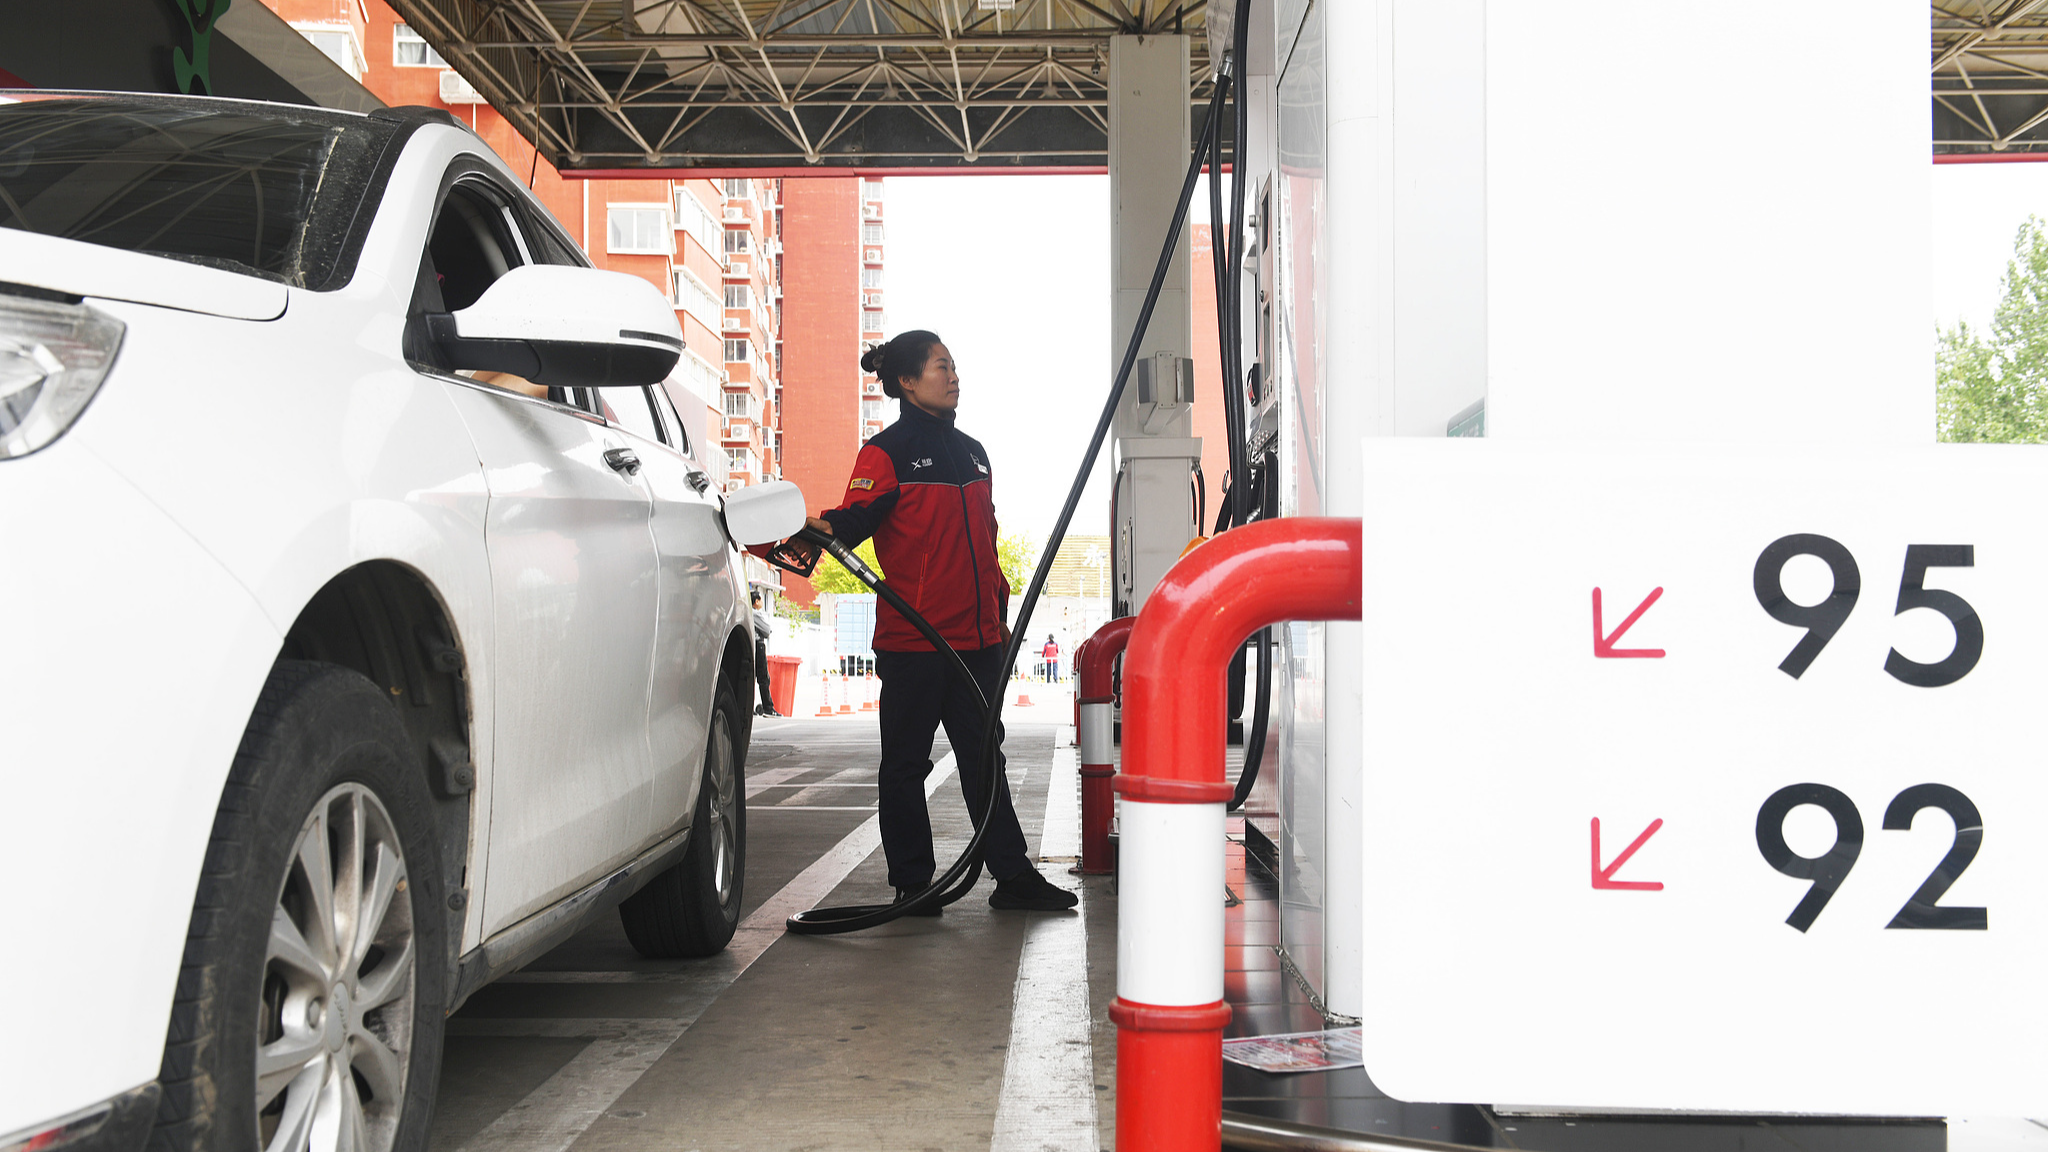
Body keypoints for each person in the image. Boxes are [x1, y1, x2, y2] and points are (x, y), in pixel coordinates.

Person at [806, 331, 1077, 914]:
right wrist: (802, 525)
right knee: (905, 764)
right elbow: (850, 523)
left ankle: (1012, 875)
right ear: (907, 382)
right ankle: (914, 883)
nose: (953, 377)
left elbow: (985, 540)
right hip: (915, 643)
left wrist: (999, 620)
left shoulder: (974, 451)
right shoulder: (885, 453)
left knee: (987, 758)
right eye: (940, 367)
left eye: (954, 367)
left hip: (978, 641)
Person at [750, 590, 780, 717]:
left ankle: (748, 709)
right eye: (761, 600)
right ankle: (768, 708)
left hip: (752, 645)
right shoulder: (755, 613)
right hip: (759, 645)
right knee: (763, 678)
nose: (762, 602)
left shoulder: (748, 612)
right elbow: (767, 630)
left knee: (751, 678)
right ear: (756, 601)